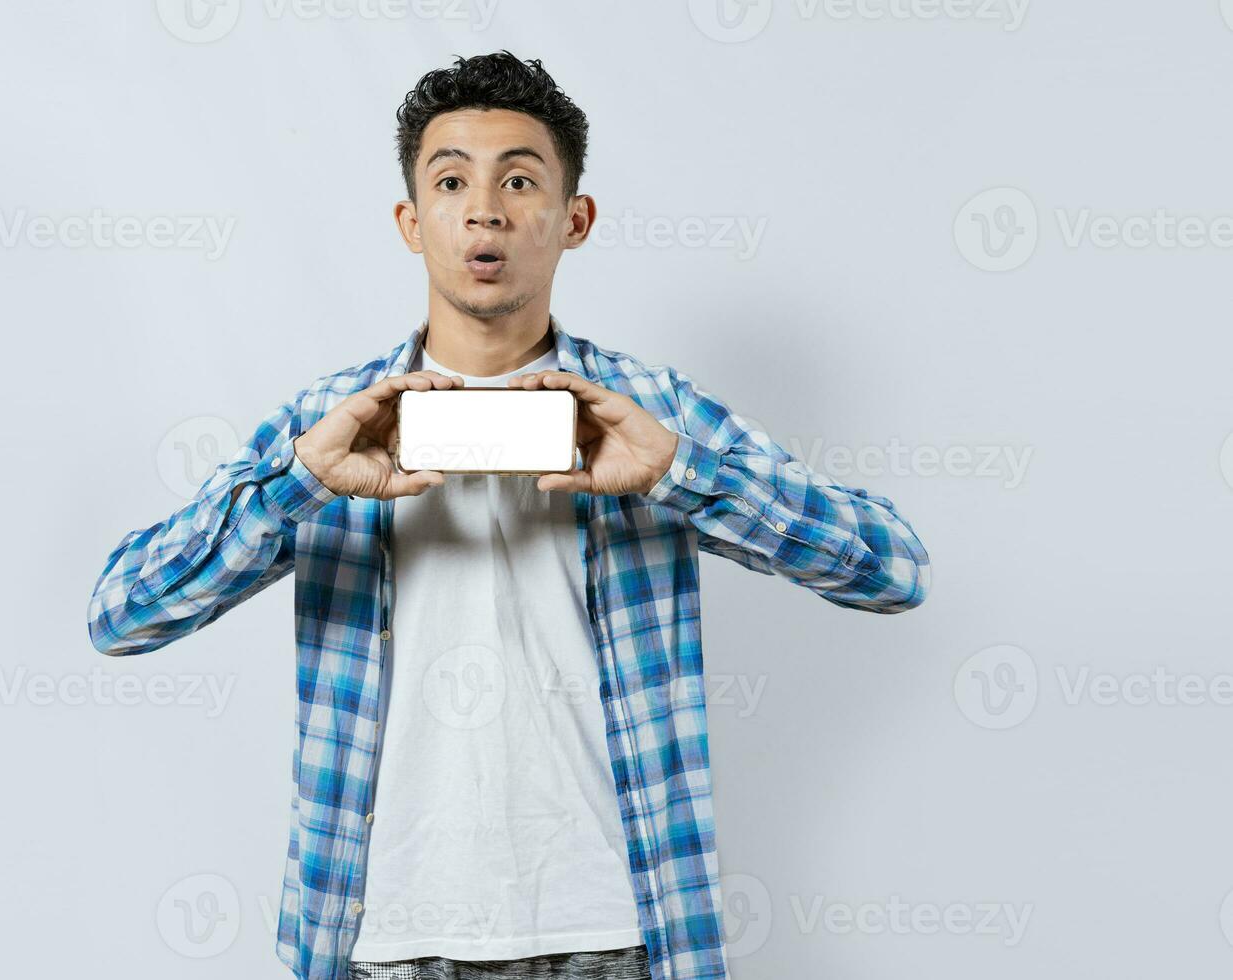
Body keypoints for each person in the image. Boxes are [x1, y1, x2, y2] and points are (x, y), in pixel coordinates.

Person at [87, 50, 930, 980]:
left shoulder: (646, 408)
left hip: (616, 933)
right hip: (382, 943)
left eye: (519, 179)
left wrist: (682, 473)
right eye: (450, 181)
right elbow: (121, 615)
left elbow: (893, 570)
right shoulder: (331, 423)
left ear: (574, 220)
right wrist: (299, 482)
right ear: (411, 222)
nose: (484, 209)